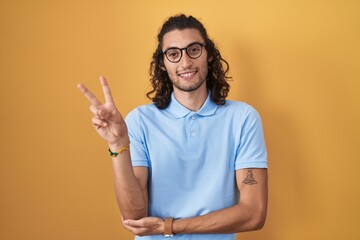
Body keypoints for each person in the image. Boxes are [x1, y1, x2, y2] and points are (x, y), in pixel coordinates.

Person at [77, 14, 268, 240]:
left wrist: (168, 226)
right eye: (174, 54)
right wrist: (118, 144)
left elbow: (253, 214)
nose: (185, 62)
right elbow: (135, 215)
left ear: (208, 54)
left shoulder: (243, 118)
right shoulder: (139, 121)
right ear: (163, 63)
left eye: (194, 50)